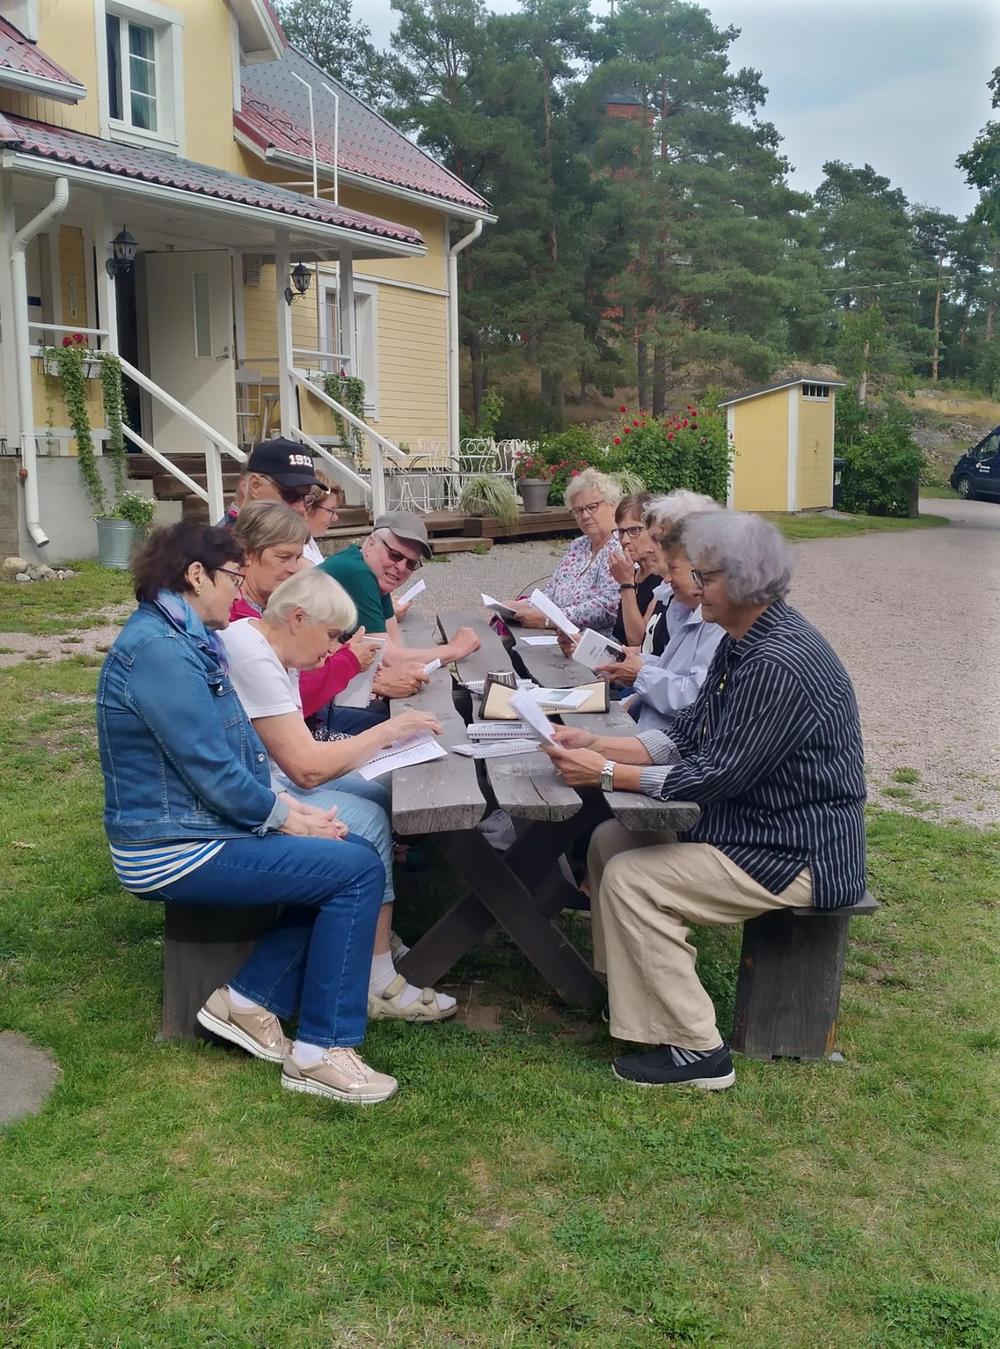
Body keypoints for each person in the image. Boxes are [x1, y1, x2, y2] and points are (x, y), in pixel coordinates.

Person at [544, 511, 866, 1091]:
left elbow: (718, 775)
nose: (690, 585)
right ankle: (632, 998)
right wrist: (599, 744)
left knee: (634, 880)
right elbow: (689, 735)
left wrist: (608, 773)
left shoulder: (777, 662)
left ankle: (698, 1049)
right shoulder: (746, 640)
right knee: (609, 840)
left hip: (797, 853)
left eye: (705, 576)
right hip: (754, 829)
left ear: (746, 580)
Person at [96, 522, 398, 1105]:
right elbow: (211, 770)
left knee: (349, 856)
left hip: (196, 830)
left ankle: (247, 998)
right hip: (170, 849)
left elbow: (232, 758)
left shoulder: (182, 639)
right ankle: (319, 1054)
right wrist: (288, 818)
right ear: (196, 575)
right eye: (233, 578)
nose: (239, 590)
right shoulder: (159, 652)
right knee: (356, 872)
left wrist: (292, 811)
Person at [220, 567, 457, 1022]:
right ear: (298, 618)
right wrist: (388, 731)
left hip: (270, 778)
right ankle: (377, 983)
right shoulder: (255, 655)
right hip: (262, 794)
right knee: (367, 819)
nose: (333, 650)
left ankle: (372, 934)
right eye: (330, 636)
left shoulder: (270, 646)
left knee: (381, 793)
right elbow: (306, 768)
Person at [230, 502, 378, 727]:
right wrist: (349, 662)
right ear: (247, 554)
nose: (293, 568)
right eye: (283, 557)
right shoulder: (233, 619)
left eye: (297, 557)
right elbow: (290, 699)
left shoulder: (262, 606)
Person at [598, 493, 725, 730]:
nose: (652, 549)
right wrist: (628, 662)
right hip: (649, 724)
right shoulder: (680, 599)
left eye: (659, 540)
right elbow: (670, 667)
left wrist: (639, 674)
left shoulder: (717, 613)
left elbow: (696, 697)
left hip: (668, 738)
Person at [318, 510, 481, 666]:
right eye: (395, 555)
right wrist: (455, 649)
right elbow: (389, 658)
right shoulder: (357, 573)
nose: (402, 568)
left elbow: (396, 647)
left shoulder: (375, 576)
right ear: (371, 545)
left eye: (411, 564)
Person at [503, 468, 622, 634]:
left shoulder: (620, 548)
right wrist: (521, 606)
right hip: (556, 634)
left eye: (592, 507)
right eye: (578, 511)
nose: (585, 516)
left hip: (592, 641)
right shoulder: (578, 546)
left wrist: (551, 619)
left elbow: (607, 607)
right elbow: (551, 592)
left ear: (613, 505)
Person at [220, 438, 320, 525]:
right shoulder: (222, 540)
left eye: (308, 499)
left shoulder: (288, 536)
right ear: (255, 485)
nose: (302, 509)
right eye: (290, 495)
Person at [610, 492, 662, 650]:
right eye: (621, 532)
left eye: (634, 530)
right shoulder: (635, 575)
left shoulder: (663, 579)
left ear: (655, 531)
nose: (625, 540)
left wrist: (626, 584)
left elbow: (638, 640)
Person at [303, 472, 342, 565]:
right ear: (309, 506)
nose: (335, 518)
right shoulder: (294, 550)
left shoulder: (308, 541)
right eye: (330, 510)